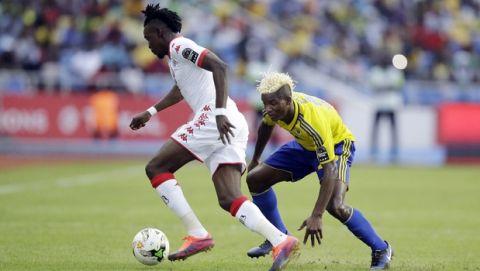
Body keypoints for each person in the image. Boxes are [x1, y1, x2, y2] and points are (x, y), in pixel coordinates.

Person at [128, 5, 298, 270]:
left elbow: (219, 66)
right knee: (229, 198)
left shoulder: (178, 46)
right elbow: (181, 89)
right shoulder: (176, 58)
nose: (148, 45)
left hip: (214, 118)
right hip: (230, 122)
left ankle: (197, 233)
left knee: (156, 167)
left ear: (160, 32)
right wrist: (151, 111)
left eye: (149, 38)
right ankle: (280, 240)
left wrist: (218, 113)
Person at [245, 72, 393, 270]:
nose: (268, 109)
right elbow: (265, 125)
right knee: (255, 179)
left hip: (338, 147)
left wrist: (317, 215)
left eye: (272, 104)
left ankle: (381, 249)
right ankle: (279, 239)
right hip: (305, 146)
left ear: (288, 101)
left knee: (336, 206)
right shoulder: (274, 106)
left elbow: (330, 167)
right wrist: (255, 159)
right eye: (265, 104)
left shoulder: (311, 121)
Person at [369, 53, 404, 163]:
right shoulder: (375, 71)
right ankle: (374, 152)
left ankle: (394, 152)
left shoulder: (395, 72)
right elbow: (373, 85)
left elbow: (400, 84)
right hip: (379, 104)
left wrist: (383, 86)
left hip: (391, 104)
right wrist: (388, 86)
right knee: (376, 129)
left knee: (393, 130)